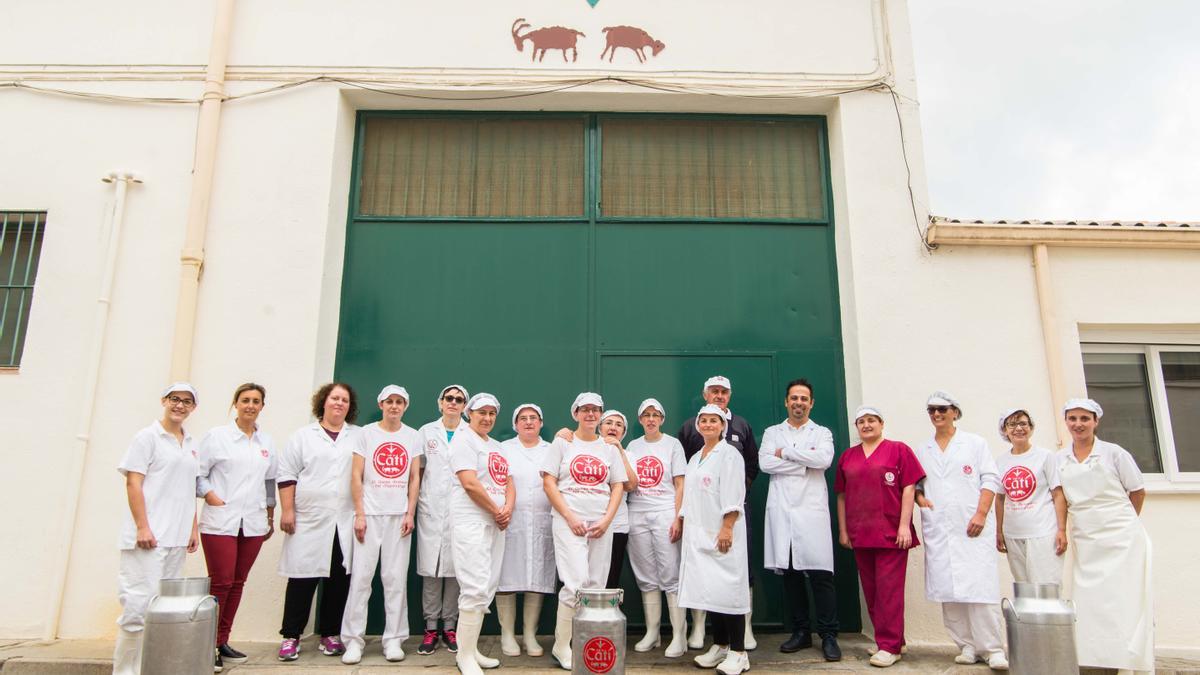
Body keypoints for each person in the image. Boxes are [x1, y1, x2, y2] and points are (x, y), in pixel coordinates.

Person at [1057, 398, 1152, 673]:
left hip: (1121, 535)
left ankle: (1129, 660)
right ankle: (1098, 657)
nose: (1078, 424)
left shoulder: (1114, 453)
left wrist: (1124, 524)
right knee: (1093, 600)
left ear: (1096, 422)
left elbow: (1137, 491)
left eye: (1084, 419)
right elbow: (1060, 496)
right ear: (1066, 422)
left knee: (1124, 597)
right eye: (1073, 418)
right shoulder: (1060, 458)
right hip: (1086, 536)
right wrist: (1061, 530)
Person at [914, 391, 1008, 671]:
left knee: (980, 588)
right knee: (949, 590)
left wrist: (981, 512)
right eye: (931, 410)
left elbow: (991, 478)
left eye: (942, 409)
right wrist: (922, 501)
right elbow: (917, 484)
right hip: (940, 526)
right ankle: (966, 645)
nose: (936, 414)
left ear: (955, 411)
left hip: (971, 526)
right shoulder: (923, 449)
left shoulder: (975, 444)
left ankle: (992, 649)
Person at [113, 383, 202, 675]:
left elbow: (188, 490)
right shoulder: (147, 437)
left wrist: (192, 529)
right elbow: (133, 482)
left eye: (187, 401)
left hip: (176, 541)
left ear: (193, 408)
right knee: (138, 609)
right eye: (175, 399)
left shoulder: (190, 443)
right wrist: (142, 527)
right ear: (164, 400)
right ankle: (126, 671)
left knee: (163, 612)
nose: (180, 405)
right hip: (147, 540)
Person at [540, 392, 629, 670]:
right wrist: (570, 516)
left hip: (601, 524)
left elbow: (617, 486)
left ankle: (586, 642)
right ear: (575, 413)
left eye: (595, 410)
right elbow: (549, 483)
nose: (590, 414)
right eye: (585, 409)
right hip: (569, 522)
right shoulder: (563, 443)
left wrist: (606, 520)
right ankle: (561, 645)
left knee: (596, 586)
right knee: (575, 583)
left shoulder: (609, 448)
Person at [275, 383, 360, 661]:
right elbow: (287, 474)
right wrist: (288, 510)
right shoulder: (303, 436)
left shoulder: (357, 437)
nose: (339, 404)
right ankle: (291, 636)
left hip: (343, 519)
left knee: (339, 578)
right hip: (308, 518)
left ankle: (330, 634)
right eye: (334, 398)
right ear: (323, 402)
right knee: (302, 577)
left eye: (344, 400)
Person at [835, 406, 924, 668]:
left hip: (892, 533)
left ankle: (889, 646)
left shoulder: (899, 450)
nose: (866, 425)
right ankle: (895, 640)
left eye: (871, 420)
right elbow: (841, 495)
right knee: (873, 592)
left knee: (889, 592)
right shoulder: (848, 456)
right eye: (861, 422)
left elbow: (909, 487)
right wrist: (843, 529)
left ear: (881, 424)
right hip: (860, 532)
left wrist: (905, 526)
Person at [340, 385, 423, 664]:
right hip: (369, 517)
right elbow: (356, 475)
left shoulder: (412, 436)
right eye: (390, 401)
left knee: (395, 580)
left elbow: (414, 478)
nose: (394, 406)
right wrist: (360, 513)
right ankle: (353, 641)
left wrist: (410, 512)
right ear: (381, 404)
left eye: (400, 402)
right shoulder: (366, 433)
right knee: (361, 579)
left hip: (398, 517)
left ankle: (394, 639)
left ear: (405, 406)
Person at [758, 378, 841, 661]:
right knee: (791, 576)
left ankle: (829, 635)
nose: (798, 403)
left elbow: (824, 461)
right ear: (786, 401)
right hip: (784, 512)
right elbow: (765, 463)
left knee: (821, 576)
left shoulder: (822, 432)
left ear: (811, 403)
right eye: (794, 398)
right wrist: (803, 463)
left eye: (804, 398)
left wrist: (788, 454)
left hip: (811, 512)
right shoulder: (772, 432)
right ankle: (801, 632)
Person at [196, 383, 277, 672]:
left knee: (238, 582)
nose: (250, 406)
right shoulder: (217, 437)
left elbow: (269, 483)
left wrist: (269, 516)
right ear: (236, 403)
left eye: (256, 401)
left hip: (252, 523)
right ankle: (206, 645)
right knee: (221, 582)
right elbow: (198, 474)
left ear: (262, 407)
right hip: (220, 521)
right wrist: (210, 496)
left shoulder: (266, 442)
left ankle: (222, 641)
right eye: (245, 400)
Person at [677, 375, 759, 650]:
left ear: (724, 425)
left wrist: (727, 527)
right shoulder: (694, 457)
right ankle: (720, 646)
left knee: (728, 589)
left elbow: (736, 492)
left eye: (714, 421)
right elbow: (689, 493)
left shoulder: (730, 454)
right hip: (700, 533)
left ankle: (737, 651)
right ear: (697, 425)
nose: (708, 424)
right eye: (704, 420)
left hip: (723, 531)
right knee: (708, 589)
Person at [450, 393, 516, 675]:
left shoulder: (498, 445)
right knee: (474, 587)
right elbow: (470, 484)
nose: (487, 418)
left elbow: (508, 481)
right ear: (469, 413)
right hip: (472, 521)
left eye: (491, 413)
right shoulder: (463, 440)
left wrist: (507, 509)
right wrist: (496, 510)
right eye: (481, 413)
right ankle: (463, 658)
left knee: (487, 587)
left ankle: (471, 649)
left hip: (495, 522)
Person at [624, 398, 688, 657]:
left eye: (655, 415)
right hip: (637, 513)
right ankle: (652, 633)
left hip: (664, 513)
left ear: (662, 419)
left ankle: (678, 636)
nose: (651, 419)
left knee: (671, 575)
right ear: (640, 420)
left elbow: (680, 484)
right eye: (646, 415)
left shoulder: (673, 444)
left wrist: (678, 517)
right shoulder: (632, 445)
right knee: (646, 575)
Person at [495, 403, 556, 657]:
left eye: (533, 418)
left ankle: (530, 634)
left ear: (541, 423)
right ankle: (507, 634)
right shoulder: (503, 449)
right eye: (523, 418)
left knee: (537, 577)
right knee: (506, 576)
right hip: (510, 521)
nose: (529, 422)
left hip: (542, 521)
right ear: (515, 424)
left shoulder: (552, 450)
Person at [415, 384, 469, 655]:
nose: (453, 402)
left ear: (464, 406)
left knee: (455, 570)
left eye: (459, 400)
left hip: (460, 510)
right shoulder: (426, 432)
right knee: (431, 571)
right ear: (440, 403)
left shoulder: (469, 433)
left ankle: (450, 626)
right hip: (432, 510)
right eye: (449, 398)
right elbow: (418, 472)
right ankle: (430, 627)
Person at [993, 408, 1067, 585]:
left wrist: (1062, 530)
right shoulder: (1000, 462)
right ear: (1004, 430)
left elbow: (1058, 494)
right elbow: (1000, 498)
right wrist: (999, 531)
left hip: (1043, 533)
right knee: (1024, 590)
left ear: (1031, 428)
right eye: (1012, 424)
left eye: (1023, 423)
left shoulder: (1045, 456)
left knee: (1046, 586)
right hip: (1013, 535)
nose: (1018, 428)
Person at [598, 410, 638, 592]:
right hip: (589, 524)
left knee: (611, 578)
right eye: (608, 423)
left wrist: (619, 451)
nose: (613, 427)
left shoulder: (629, 455)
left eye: (618, 425)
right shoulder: (585, 449)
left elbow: (630, 485)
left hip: (617, 526)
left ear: (623, 432)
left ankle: (606, 619)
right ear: (600, 427)